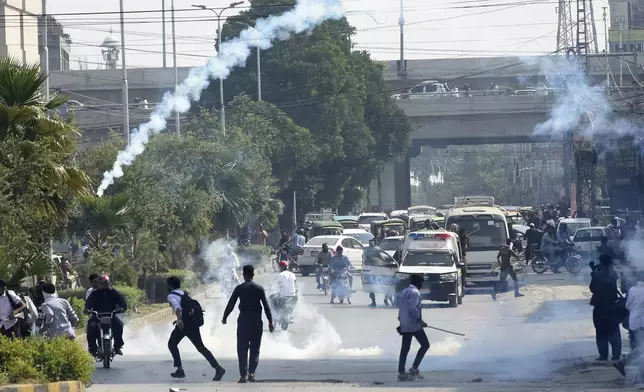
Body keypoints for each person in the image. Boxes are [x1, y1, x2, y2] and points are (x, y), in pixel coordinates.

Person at [166, 276, 226, 380]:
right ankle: (218, 368)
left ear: (170, 286)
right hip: (192, 323)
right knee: (201, 347)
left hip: (184, 324)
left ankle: (180, 370)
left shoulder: (171, 296)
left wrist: (179, 320)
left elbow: (177, 307)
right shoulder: (182, 293)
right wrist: (180, 319)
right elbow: (185, 309)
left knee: (171, 344)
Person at [222, 265, 274, 383]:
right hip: (256, 320)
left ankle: (243, 375)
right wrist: (270, 321)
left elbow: (231, 304)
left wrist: (225, 317)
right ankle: (252, 373)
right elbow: (266, 306)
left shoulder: (239, 288)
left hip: (244, 321)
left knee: (242, 348)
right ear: (253, 274)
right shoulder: (259, 288)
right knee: (255, 348)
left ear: (244, 274)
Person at [397, 274, 430, 381]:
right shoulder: (415, 293)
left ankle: (401, 373)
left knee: (404, 349)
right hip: (413, 324)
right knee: (425, 345)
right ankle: (414, 369)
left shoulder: (404, 291)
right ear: (418, 283)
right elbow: (412, 309)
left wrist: (401, 320)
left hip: (405, 324)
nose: (422, 285)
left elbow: (401, 308)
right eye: (421, 283)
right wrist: (420, 321)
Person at [85, 275, 127, 357]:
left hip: (111, 314)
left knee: (119, 325)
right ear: (99, 284)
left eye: (106, 284)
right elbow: (88, 303)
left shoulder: (113, 292)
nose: (104, 286)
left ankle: (117, 346)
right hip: (97, 316)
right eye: (102, 284)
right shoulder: (94, 293)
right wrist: (87, 309)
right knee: (91, 327)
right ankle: (93, 349)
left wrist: (122, 307)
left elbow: (121, 301)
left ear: (109, 283)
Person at [589, 254, 621, 361]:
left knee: (601, 332)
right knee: (614, 330)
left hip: (600, 306)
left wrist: (594, 273)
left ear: (602, 262)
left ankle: (603, 355)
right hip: (612, 306)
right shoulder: (613, 273)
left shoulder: (598, 275)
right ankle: (616, 354)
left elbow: (592, 288)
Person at [364, 239, 391, 307]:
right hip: (370, 269)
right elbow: (365, 258)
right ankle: (373, 301)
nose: (370, 244)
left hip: (378, 268)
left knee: (387, 285)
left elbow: (381, 257)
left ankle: (386, 299)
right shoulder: (367, 250)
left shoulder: (377, 249)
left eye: (372, 243)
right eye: (369, 243)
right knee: (371, 286)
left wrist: (385, 263)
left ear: (374, 243)